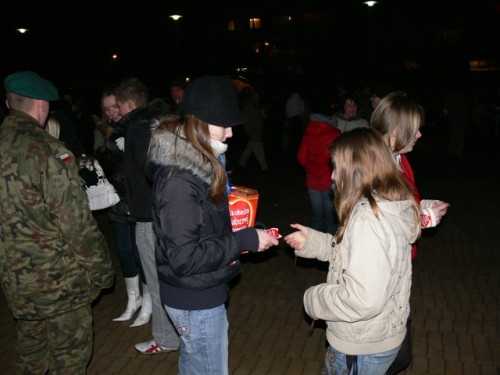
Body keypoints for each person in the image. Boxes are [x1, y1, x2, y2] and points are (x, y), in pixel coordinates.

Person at [148, 75, 279, 374]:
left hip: (198, 293)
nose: (231, 132)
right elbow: (184, 257)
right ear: (201, 122)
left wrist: (250, 229)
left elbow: (204, 224)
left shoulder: (199, 164)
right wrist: (243, 241)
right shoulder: (181, 179)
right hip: (195, 300)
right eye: (225, 124)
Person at [0, 71, 114, 373]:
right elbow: (76, 225)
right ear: (41, 105)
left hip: (16, 282)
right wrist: (102, 271)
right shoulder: (48, 151)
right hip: (59, 284)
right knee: (70, 359)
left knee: (30, 356)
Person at [285, 127, 421, 374]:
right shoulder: (385, 205)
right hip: (373, 337)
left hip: (361, 346)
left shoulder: (369, 221)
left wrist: (314, 299)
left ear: (358, 171)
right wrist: (313, 242)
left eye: (338, 167)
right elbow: (352, 254)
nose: (334, 176)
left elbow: (363, 300)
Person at [370, 91, 450, 374]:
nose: (419, 134)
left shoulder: (399, 160)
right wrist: (425, 219)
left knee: (398, 353)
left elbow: (405, 203)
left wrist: (425, 205)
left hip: (400, 264)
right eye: (414, 128)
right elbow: (378, 224)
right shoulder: (374, 169)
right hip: (382, 269)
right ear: (395, 131)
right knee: (394, 354)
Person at [113, 77, 180, 354]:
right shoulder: (161, 123)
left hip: (148, 217)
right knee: (163, 278)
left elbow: (151, 171)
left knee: (155, 281)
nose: (116, 112)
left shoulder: (138, 130)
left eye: (118, 106)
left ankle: (166, 339)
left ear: (129, 104)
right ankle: (172, 334)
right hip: (161, 213)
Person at [96, 85, 147, 326]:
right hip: (116, 201)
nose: (111, 112)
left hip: (136, 201)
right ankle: (132, 300)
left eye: (114, 106)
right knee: (124, 252)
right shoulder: (108, 131)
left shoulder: (135, 128)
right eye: (106, 109)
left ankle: (147, 303)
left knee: (141, 253)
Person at [297, 96, 341, 234]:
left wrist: (311, 168)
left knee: (316, 216)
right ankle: (329, 250)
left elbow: (301, 157)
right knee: (330, 217)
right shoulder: (336, 134)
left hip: (313, 181)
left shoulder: (308, 132)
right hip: (330, 181)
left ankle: (313, 247)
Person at [238, 90, 268, 171]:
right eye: (256, 97)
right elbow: (245, 121)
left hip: (257, 130)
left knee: (250, 148)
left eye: (258, 97)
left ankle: (241, 163)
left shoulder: (256, 106)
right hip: (252, 131)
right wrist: (249, 131)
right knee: (259, 149)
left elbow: (259, 118)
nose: (258, 99)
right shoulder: (248, 107)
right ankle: (264, 167)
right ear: (252, 97)